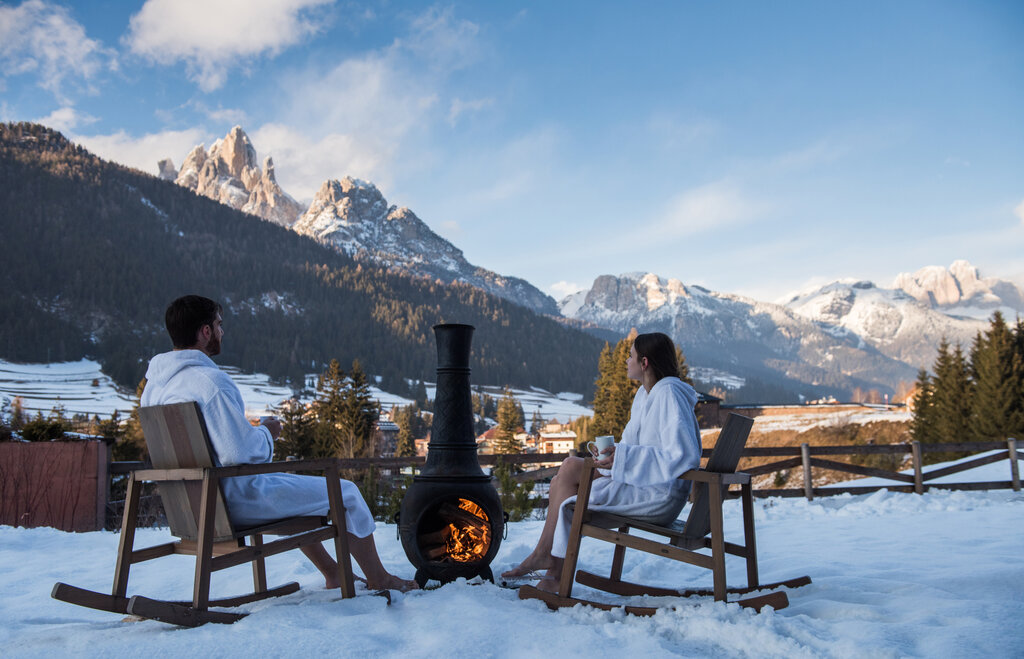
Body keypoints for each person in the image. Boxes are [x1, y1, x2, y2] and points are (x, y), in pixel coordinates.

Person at [140, 295, 417, 592]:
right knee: (345, 492)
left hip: (190, 505)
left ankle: (334, 573)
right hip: (231, 502)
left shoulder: (154, 389)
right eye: (219, 325)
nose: (223, 332)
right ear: (205, 331)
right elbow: (239, 453)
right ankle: (379, 578)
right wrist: (267, 433)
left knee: (301, 494)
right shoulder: (210, 383)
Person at [501, 332, 702, 592]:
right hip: (642, 483)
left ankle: (548, 562)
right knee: (560, 481)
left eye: (630, 356)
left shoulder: (669, 394)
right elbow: (633, 445)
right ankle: (552, 571)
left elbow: (683, 455)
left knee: (571, 470)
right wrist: (613, 456)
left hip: (659, 495)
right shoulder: (645, 395)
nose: (626, 362)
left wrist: (624, 458)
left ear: (644, 363)